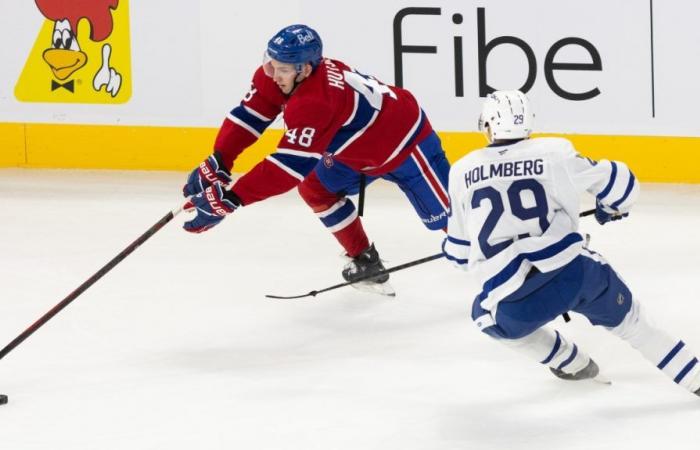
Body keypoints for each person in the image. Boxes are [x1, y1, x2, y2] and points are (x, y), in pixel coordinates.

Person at [443, 90, 700, 395]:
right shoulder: (555, 153)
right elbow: (623, 187)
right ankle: (694, 378)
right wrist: (610, 208)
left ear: (486, 125)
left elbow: (458, 256)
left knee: (485, 316)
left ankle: (571, 362)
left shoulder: (461, 172)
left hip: (515, 298)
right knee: (634, 324)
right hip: (577, 275)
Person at [181, 24, 450, 295]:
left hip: (406, 143)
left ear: (305, 69)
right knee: (316, 189)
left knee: (459, 224)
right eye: (270, 63)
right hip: (356, 150)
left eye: (283, 69)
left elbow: (288, 167)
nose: (273, 74)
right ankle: (366, 261)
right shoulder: (277, 76)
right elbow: (249, 115)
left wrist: (232, 199)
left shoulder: (317, 101)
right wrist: (220, 160)